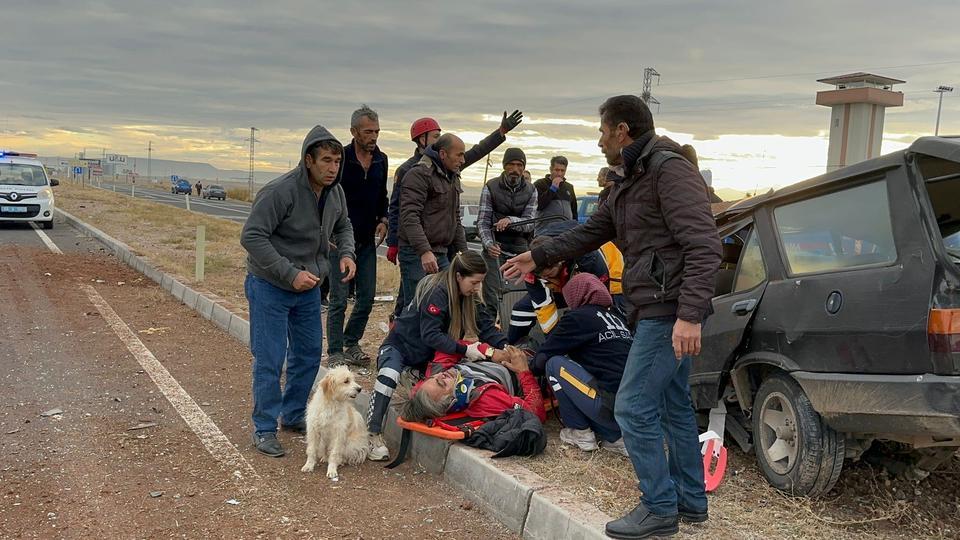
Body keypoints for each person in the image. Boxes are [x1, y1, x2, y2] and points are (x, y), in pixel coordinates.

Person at [502, 95, 721, 538]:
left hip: (668, 310)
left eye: (603, 131)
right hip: (655, 307)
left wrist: (690, 315)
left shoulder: (668, 169)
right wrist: (537, 255)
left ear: (623, 130)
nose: (599, 140)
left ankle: (659, 507)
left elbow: (704, 245)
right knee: (673, 404)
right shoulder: (630, 179)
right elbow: (589, 232)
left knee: (633, 405)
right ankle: (689, 501)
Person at [240, 126, 357, 458]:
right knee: (270, 357)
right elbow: (251, 236)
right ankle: (264, 429)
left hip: (309, 288)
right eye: (325, 161)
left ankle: (291, 416)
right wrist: (289, 273)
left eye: (337, 161)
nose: (333, 167)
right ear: (308, 160)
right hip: (270, 285)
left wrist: (346, 253)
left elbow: (343, 225)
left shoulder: (335, 193)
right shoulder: (280, 191)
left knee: (307, 355)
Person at [366, 251, 509, 460]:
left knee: (448, 385)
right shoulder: (437, 291)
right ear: (459, 276)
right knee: (389, 375)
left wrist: (506, 348)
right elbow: (431, 335)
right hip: (400, 347)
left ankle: (412, 375)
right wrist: (464, 350)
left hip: (426, 358)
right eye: (475, 282)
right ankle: (372, 433)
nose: (478, 288)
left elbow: (486, 327)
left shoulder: (467, 296)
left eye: (481, 282)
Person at [386, 111, 524, 319]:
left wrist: (500, 132)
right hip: (417, 250)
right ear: (423, 141)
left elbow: (476, 153)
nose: (462, 159)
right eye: (434, 136)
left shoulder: (450, 170)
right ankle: (399, 344)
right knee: (415, 304)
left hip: (441, 249)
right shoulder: (413, 171)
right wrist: (396, 243)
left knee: (441, 300)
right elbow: (403, 212)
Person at [529, 273, 629, 455]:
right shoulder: (618, 318)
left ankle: (579, 432)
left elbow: (543, 357)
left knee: (554, 364)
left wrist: (526, 366)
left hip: (607, 408)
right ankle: (615, 437)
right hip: (631, 412)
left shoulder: (579, 317)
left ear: (576, 295)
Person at [326, 105, 389, 368]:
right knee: (339, 299)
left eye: (376, 131)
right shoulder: (340, 158)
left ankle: (352, 342)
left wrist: (384, 219)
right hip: (340, 241)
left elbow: (382, 195)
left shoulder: (381, 159)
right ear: (354, 132)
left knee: (367, 297)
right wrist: (326, 230)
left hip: (366, 242)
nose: (373, 137)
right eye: (368, 132)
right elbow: (326, 193)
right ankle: (335, 351)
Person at [507, 224, 609, 344]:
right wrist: (553, 344)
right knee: (522, 308)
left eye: (549, 275)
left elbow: (602, 300)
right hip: (565, 284)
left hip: (608, 279)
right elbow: (544, 309)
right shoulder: (530, 266)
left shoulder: (589, 259)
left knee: (589, 317)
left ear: (560, 261)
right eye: (542, 277)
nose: (546, 278)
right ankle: (514, 345)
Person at [401, 345, 545, 424]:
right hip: (534, 364)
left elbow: (456, 343)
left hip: (507, 350)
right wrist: (524, 371)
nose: (441, 375)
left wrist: (491, 352)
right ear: (452, 401)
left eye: (433, 377)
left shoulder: (439, 377)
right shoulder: (484, 398)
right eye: (441, 383)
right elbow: (535, 414)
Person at [477, 147, 537, 321]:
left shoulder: (532, 191)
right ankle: (489, 338)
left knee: (518, 298)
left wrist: (511, 220)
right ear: (504, 166)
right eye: (511, 164)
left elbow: (530, 222)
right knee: (492, 299)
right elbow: (483, 221)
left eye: (519, 165)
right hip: (495, 251)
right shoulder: (490, 187)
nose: (515, 169)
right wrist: (488, 244)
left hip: (520, 252)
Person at [533, 156, 577, 233]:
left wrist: (574, 228)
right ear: (551, 169)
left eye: (562, 171)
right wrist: (552, 189)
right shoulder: (539, 184)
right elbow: (538, 206)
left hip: (565, 232)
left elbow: (574, 210)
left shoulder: (569, 187)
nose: (559, 174)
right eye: (557, 170)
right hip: (545, 232)